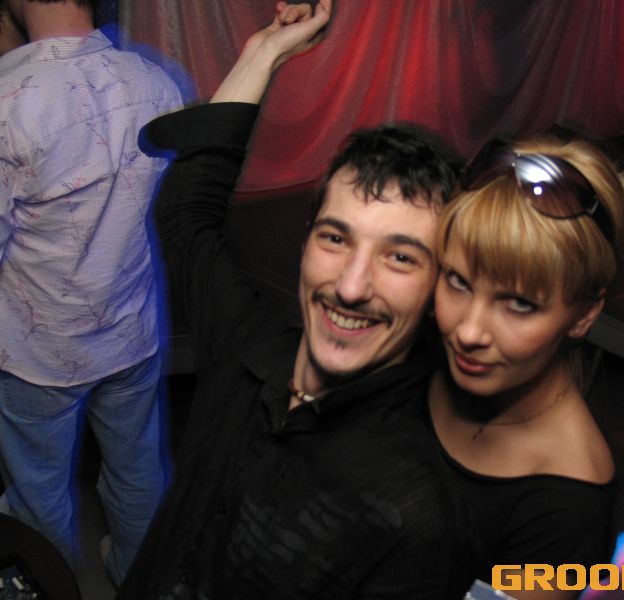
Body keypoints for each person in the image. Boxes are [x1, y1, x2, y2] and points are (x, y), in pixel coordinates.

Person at [119, 2, 477, 598]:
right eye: (336, 239)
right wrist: (266, 50)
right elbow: (186, 215)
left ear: (442, 285)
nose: (352, 287)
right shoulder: (252, 356)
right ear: (306, 240)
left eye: (400, 257)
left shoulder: (420, 509)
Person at [0, 0, 183, 586]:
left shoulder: (9, 102)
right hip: (131, 331)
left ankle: (49, 588)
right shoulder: (156, 80)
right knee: (138, 471)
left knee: (37, 491)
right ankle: (141, 579)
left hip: (39, 353)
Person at [427, 135, 624, 598]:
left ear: (584, 314)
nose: (468, 332)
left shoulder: (568, 511)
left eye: (519, 304)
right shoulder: (422, 353)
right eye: (458, 281)